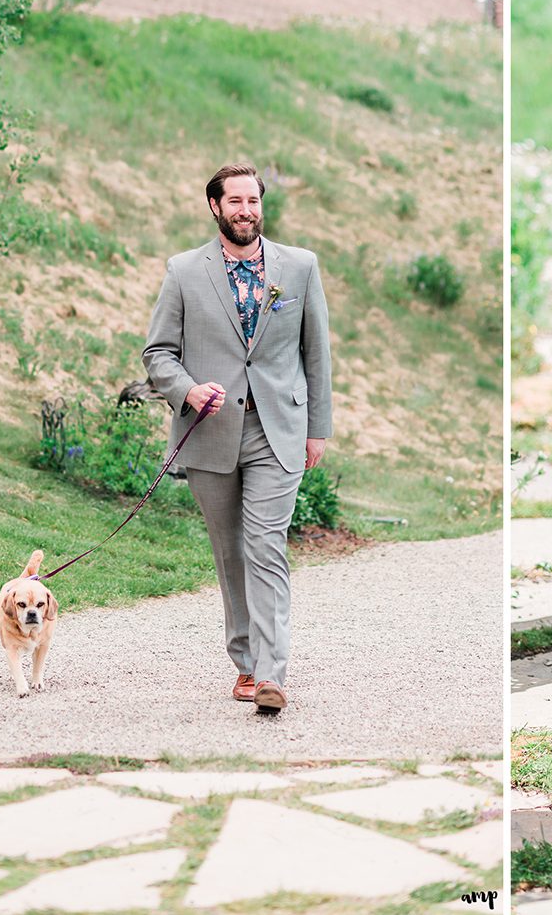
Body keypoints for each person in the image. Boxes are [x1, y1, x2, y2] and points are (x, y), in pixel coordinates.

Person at [144, 162, 332, 715]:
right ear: (215, 207)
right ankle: (246, 663)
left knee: (265, 545)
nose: (247, 210)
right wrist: (187, 390)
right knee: (230, 553)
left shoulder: (298, 267)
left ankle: (273, 674)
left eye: (255, 200)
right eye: (236, 202)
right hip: (211, 432)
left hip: (280, 430)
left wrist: (318, 428)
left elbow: (315, 353)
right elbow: (157, 354)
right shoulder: (183, 271)